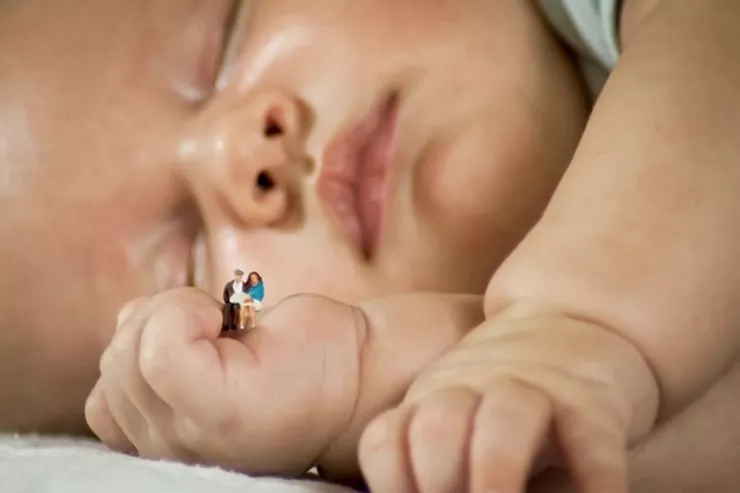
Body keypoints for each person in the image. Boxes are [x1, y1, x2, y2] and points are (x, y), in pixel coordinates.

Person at [3, 1, 740, 492]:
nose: (237, 155)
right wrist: (356, 384)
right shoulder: (573, 374)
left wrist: (580, 321)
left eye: (219, 47)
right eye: (191, 268)